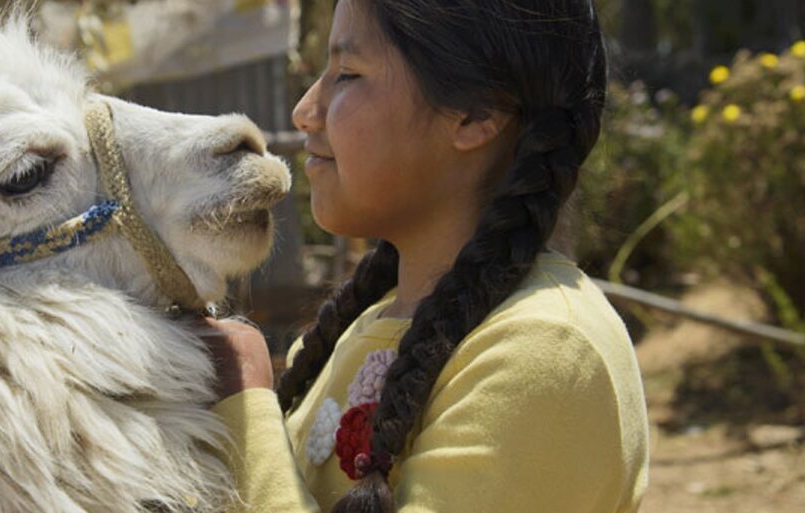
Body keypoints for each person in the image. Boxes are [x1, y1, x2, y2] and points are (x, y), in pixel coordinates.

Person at [198, 0, 650, 512]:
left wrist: (248, 407)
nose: (305, 109)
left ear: (477, 114)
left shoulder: (546, 351)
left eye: (347, 74)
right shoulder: (361, 326)